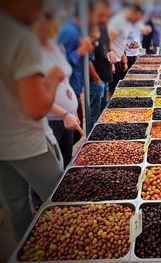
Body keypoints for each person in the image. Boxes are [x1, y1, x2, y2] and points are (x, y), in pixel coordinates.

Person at [0, 0, 64, 242]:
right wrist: (53, 80)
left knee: (15, 207)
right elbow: (36, 108)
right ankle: (62, 250)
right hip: (27, 142)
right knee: (62, 201)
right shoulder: (20, 37)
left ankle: (28, 249)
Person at [34, 13, 83, 168]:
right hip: (51, 119)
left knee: (66, 162)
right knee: (50, 169)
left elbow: (64, 76)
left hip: (67, 118)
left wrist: (71, 109)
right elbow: (36, 94)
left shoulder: (55, 46)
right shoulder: (31, 53)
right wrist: (64, 113)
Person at [57, 9, 95, 142]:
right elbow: (60, 67)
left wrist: (89, 47)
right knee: (70, 138)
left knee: (74, 136)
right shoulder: (69, 33)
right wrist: (80, 51)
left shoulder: (81, 32)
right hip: (65, 96)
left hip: (74, 91)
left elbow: (87, 58)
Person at [88, 0, 117, 130]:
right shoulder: (90, 30)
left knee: (103, 112)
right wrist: (97, 80)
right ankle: (91, 137)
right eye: (102, 15)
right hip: (96, 81)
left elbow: (108, 44)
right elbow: (87, 60)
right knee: (94, 115)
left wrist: (112, 53)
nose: (104, 18)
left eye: (107, 15)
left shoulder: (104, 28)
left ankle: (101, 133)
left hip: (105, 77)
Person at [108, 4, 144, 97]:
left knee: (116, 86)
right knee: (111, 89)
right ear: (133, 12)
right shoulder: (118, 21)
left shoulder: (127, 23)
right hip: (113, 61)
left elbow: (121, 41)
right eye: (137, 18)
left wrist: (124, 58)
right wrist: (111, 62)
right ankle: (110, 108)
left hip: (119, 59)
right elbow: (108, 41)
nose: (137, 21)